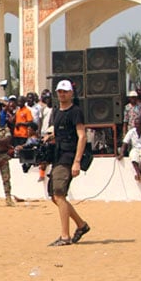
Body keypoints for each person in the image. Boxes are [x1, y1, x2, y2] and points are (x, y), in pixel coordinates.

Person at [44, 79, 90, 246]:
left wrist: (77, 161)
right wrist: (49, 137)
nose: (62, 94)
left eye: (65, 91)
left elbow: (82, 136)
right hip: (57, 155)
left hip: (68, 156)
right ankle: (81, 225)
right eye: (60, 92)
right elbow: (58, 132)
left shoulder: (75, 111)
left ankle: (65, 236)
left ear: (71, 93)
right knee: (55, 196)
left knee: (59, 194)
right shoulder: (56, 112)